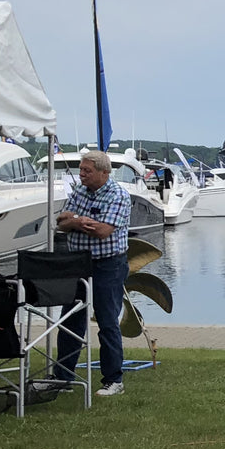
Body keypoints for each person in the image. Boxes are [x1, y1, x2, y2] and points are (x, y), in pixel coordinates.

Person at [54, 151, 131, 396]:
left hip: (108, 264)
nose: (82, 174)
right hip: (78, 264)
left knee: (107, 322)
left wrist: (75, 219)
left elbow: (102, 231)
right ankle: (63, 378)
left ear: (103, 172)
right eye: (81, 169)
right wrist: (78, 220)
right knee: (70, 321)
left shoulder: (118, 195)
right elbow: (61, 223)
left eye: (87, 170)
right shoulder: (79, 191)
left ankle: (113, 380)